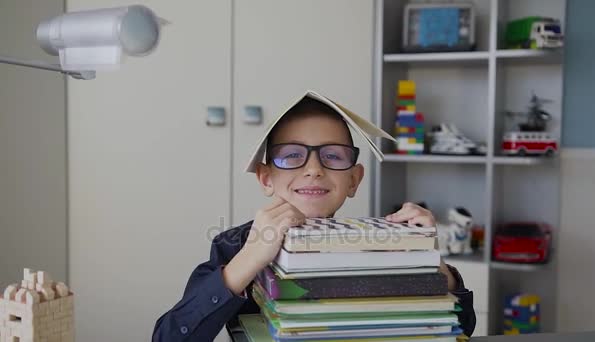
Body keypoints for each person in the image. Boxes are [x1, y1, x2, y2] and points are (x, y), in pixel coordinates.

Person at [152, 96, 476, 341]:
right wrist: (248, 259)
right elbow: (169, 336)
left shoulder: (383, 244)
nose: (313, 169)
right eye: (292, 155)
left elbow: (463, 327)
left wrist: (428, 259)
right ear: (265, 178)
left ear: (353, 180)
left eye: (332, 156)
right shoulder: (233, 245)